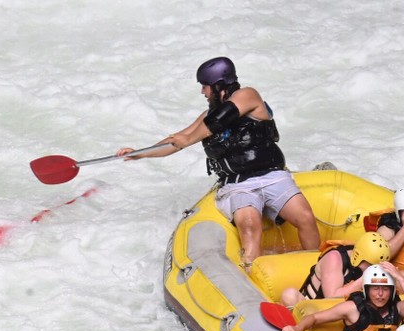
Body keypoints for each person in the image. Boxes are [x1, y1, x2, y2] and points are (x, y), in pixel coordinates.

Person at [117, 56, 320, 269]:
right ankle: (253, 281)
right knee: (250, 228)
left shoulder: (248, 95)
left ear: (218, 85)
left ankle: (314, 271)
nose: (202, 92)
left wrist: (188, 138)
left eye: (205, 86)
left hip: (272, 176)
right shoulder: (206, 117)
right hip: (238, 185)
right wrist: (140, 153)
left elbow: (222, 118)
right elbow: (176, 141)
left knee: (305, 217)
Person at [281, 262, 404, 331]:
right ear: (366, 290)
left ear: (392, 291)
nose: (380, 294)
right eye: (375, 289)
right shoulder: (353, 308)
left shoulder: (397, 307)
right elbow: (315, 317)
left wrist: (401, 279)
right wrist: (297, 328)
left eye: (385, 289)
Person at [280, 231, 391, 306]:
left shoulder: (368, 266)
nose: (373, 269)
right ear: (358, 256)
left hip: (348, 313)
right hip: (314, 306)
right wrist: (364, 279)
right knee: (289, 295)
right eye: (370, 265)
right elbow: (331, 297)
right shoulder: (335, 259)